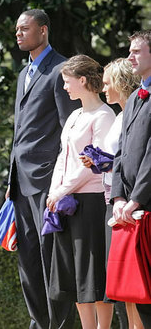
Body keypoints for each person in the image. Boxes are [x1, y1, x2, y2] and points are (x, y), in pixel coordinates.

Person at [6, 9, 80, 329]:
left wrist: (60, 182)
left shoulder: (62, 69)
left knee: (53, 258)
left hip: (48, 180)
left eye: (25, 28)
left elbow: (70, 130)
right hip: (21, 182)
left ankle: (59, 324)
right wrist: (11, 177)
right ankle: (38, 322)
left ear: (44, 31)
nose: (18, 33)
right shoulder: (24, 74)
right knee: (28, 260)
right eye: (17, 29)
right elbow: (19, 130)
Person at [45, 54, 115, 329]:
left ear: (82, 80)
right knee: (73, 274)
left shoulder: (104, 115)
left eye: (67, 81)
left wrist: (60, 190)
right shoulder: (74, 114)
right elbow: (64, 156)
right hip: (66, 201)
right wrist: (54, 192)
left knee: (92, 273)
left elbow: (93, 165)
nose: (64, 87)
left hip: (90, 201)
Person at [80, 58, 142, 329]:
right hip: (112, 200)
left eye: (107, 83)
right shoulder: (118, 116)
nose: (103, 88)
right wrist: (99, 162)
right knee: (123, 282)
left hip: (130, 203)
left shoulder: (135, 113)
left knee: (135, 280)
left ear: (120, 83)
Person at [111, 29, 151, 328]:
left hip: (147, 204)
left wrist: (136, 197)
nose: (129, 56)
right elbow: (121, 152)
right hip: (130, 207)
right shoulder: (136, 98)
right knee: (141, 296)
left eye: (136, 50)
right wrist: (119, 197)